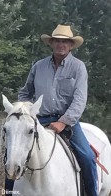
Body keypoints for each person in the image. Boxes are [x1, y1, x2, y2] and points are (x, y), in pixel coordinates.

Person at [5, 24, 97, 196]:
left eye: (65, 41)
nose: (61, 45)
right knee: (12, 155)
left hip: (68, 123)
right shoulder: (38, 66)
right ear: (51, 43)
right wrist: (23, 112)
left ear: (70, 45)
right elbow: (25, 92)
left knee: (87, 158)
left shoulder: (78, 67)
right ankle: (9, 192)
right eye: (57, 41)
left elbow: (80, 99)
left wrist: (63, 122)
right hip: (39, 119)